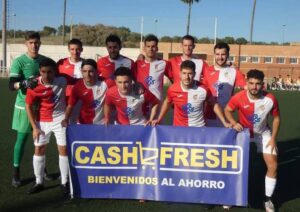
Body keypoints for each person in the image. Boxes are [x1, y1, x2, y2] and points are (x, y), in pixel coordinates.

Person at [224, 69, 280, 212]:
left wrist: (273, 139)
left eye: (258, 84)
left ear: (263, 84)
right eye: (251, 83)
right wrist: (233, 122)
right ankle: (231, 197)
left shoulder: (270, 99)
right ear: (247, 82)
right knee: (234, 166)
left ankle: (268, 200)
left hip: (263, 134)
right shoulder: (239, 97)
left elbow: (277, 118)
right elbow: (227, 110)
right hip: (244, 134)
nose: (254, 87)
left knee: (273, 165)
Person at [8, 31, 52, 187]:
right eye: (31, 42)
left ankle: (42, 170)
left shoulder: (44, 61)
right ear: (26, 43)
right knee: (22, 139)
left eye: (37, 42)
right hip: (24, 106)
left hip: (42, 108)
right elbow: (10, 85)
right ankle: (16, 173)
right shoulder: (19, 61)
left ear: (40, 43)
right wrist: (24, 84)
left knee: (42, 141)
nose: (34, 45)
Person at [25, 58, 69, 194]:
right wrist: (34, 127)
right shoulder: (34, 85)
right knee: (39, 149)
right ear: (40, 72)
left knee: (63, 150)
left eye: (49, 72)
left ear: (55, 72)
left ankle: (64, 181)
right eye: (43, 72)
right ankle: (39, 181)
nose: (46, 75)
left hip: (60, 120)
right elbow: (28, 105)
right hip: (41, 121)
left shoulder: (62, 81)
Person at [152, 60, 230, 128]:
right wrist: (158, 119)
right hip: (179, 128)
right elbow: (167, 102)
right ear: (180, 74)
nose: (187, 77)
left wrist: (224, 122)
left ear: (194, 74)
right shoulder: (173, 89)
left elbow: (214, 104)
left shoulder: (203, 89)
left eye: (190, 73)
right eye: (184, 73)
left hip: (198, 128)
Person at [202, 42, 246, 127]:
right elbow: (202, 90)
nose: (220, 57)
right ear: (214, 55)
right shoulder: (207, 70)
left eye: (223, 54)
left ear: (228, 55)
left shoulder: (234, 72)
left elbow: (246, 88)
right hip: (209, 115)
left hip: (227, 115)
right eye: (217, 54)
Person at [62, 59, 113, 125]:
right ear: (81, 71)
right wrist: (66, 119)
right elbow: (70, 106)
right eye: (84, 71)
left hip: (101, 124)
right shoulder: (77, 87)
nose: (87, 74)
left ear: (96, 71)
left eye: (90, 71)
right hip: (83, 124)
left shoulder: (107, 82)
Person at [135, 34, 171, 101]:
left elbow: (174, 80)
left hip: (156, 102)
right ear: (144, 48)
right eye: (148, 46)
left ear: (157, 48)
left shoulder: (164, 63)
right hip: (140, 103)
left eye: (153, 46)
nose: (150, 49)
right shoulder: (137, 63)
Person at [57, 38, 84, 123]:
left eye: (78, 49)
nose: (75, 52)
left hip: (81, 101)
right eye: (72, 49)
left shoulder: (86, 64)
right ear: (69, 49)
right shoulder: (61, 63)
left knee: (79, 126)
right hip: (64, 100)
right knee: (65, 126)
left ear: (82, 50)